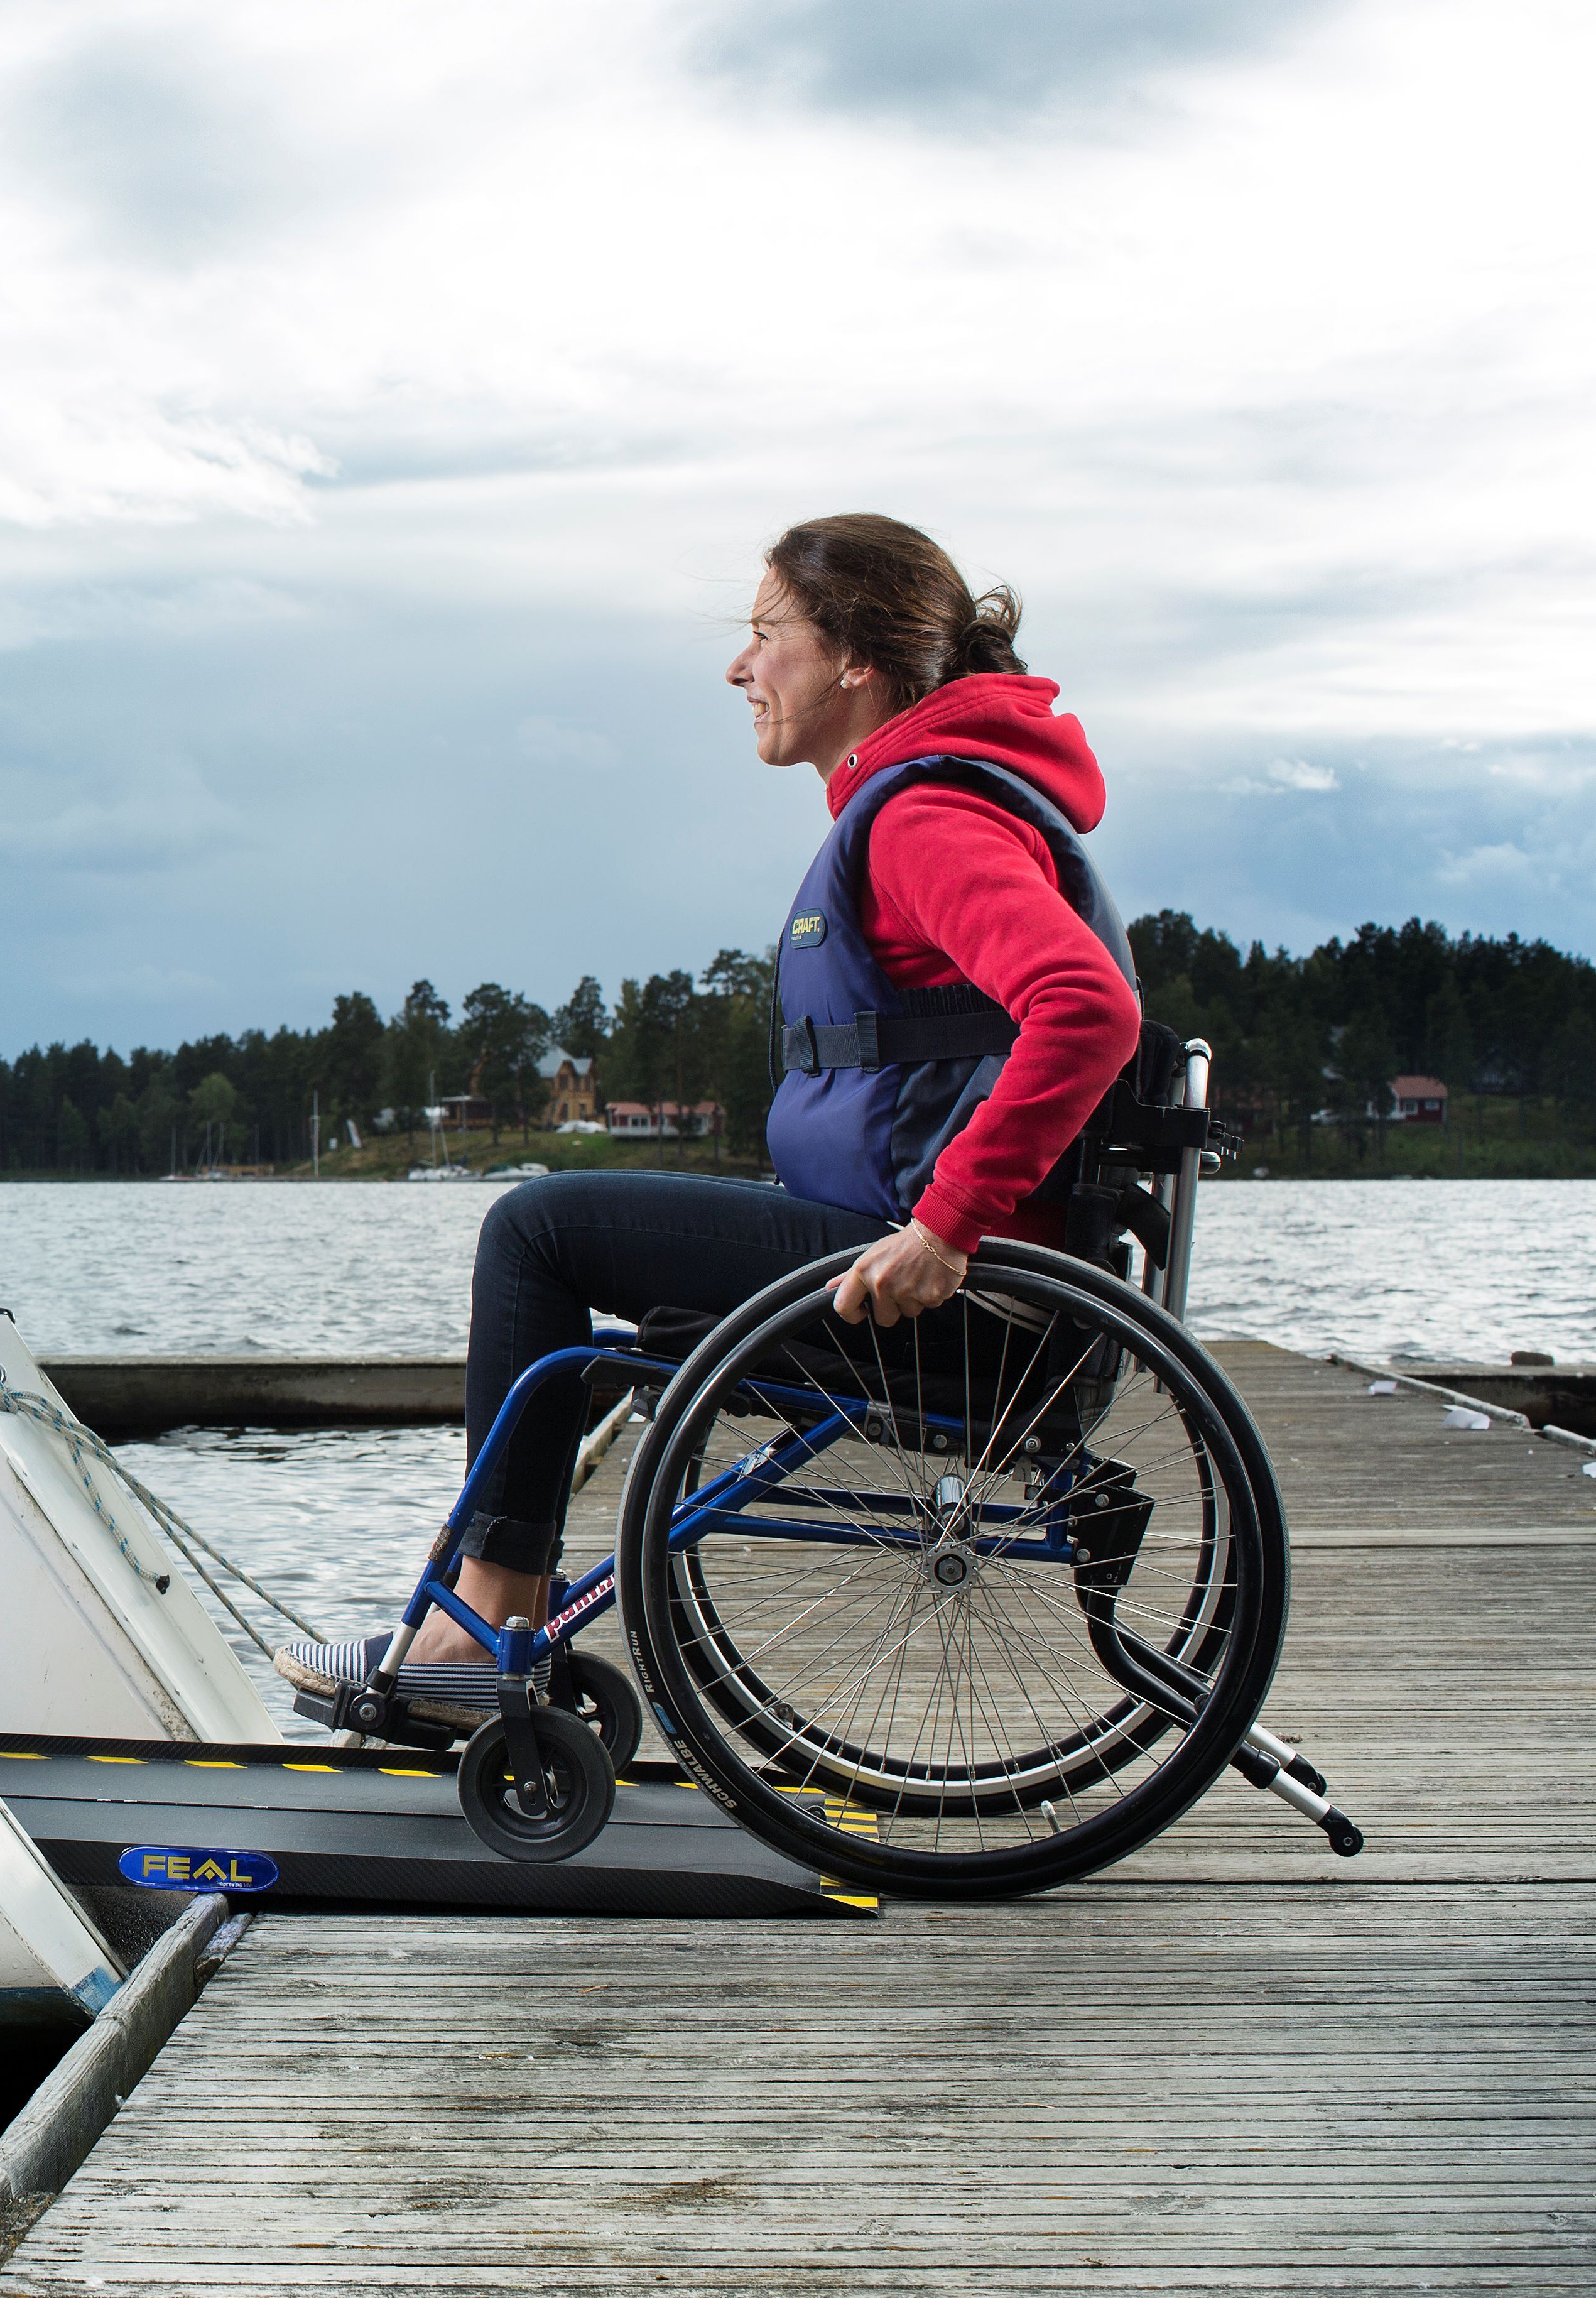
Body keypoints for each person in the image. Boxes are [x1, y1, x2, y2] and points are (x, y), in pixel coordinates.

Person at [276, 513, 1141, 1699]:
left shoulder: (925, 815)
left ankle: (476, 1633)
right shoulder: (929, 800)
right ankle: (487, 1616)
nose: (741, 668)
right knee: (567, 1257)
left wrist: (947, 1225)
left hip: (950, 1302)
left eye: (765, 634)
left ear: (854, 659)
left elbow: (1087, 1007)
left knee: (534, 1229)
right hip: (947, 1280)